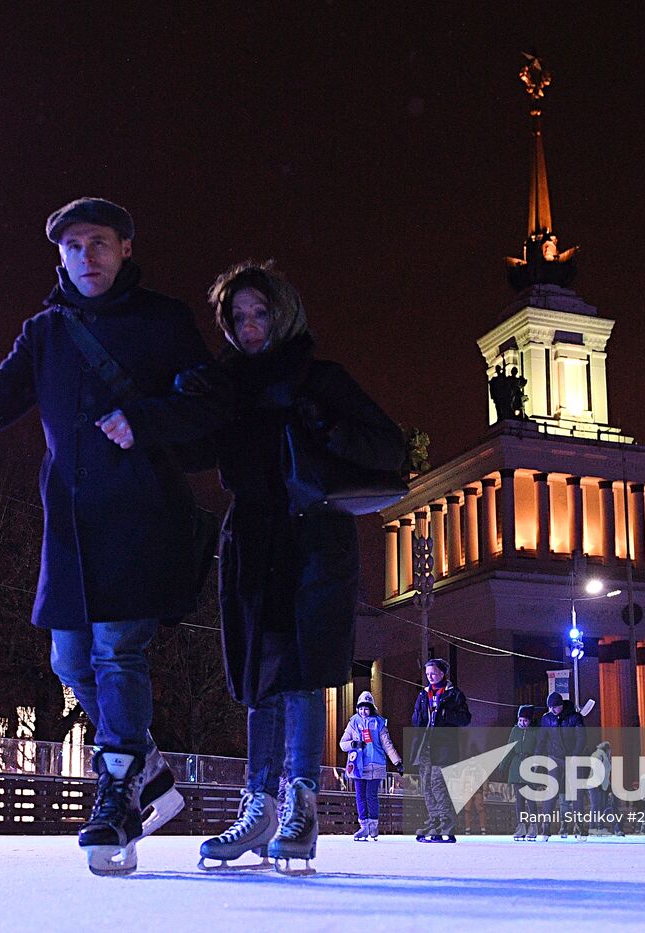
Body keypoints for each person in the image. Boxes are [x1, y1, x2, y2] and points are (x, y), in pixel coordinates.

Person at [0, 198, 221, 875]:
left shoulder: (164, 320)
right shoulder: (45, 332)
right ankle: (149, 773)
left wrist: (145, 418)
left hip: (139, 515)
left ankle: (120, 793)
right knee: (70, 662)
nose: (86, 257)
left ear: (126, 247)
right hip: (70, 527)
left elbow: (207, 400)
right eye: (73, 246)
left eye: (98, 242)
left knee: (116, 650)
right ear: (59, 257)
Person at [191, 261, 404, 873]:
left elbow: (387, 448)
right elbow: (187, 446)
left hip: (313, 533)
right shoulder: (227, 387)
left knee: (304, 672)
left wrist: (325, 423)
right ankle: (258, 808)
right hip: (254, 536)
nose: (250, 326)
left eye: (260, 312)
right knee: (261, 673)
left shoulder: (320, 378)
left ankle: (300, 806)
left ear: (283, 313)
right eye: (238, 317)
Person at [412, 658, 473, 842]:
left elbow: (465, 719)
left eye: (433, 673)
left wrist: (446, 714)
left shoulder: (453, 694)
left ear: (442, 673)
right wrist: (418, 716)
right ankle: (434, 821)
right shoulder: (423, 694)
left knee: (438, 785)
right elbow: (416, 721)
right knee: (426, 786)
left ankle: (447, 824)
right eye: (428, 673)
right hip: (425, 746)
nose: (430, 676)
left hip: (444, 747)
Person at [339, 691, 402, 841]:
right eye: (360, 708)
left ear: (371, 708)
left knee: (371, 795)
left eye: (366, 708)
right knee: (360, 795)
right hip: (359, 764)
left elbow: (387, 744)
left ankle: (373, 825)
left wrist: (397, 762)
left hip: (376, 763)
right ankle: (364, 826)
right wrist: (353, 744)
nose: (363, 711)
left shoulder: (379, 723)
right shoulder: (353, 722)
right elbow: (342, 743)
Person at [539, 692, 583, 838]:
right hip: (555, 758)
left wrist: (576, 755)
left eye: (555, 707)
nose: (553, 710)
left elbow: (581, 738)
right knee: (551, 792)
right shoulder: (546, 719)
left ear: (561, 705)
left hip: (572, 758)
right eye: (550, 707)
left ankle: (579, 827)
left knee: (576, 794)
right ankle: (546, 829)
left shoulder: (574, 717)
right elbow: (542, 740)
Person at [507, 705, 540, 840]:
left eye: (525, 720)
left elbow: (539, 748)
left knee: (531, 799)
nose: (522, 723)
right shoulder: (515, 730)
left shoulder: (535, 732)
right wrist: (503, 765)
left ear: (530, 720)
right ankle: (521, 826)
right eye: (520, 720)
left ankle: (533, 826)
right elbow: (509, 748)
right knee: (519, 800)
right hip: (516, 767)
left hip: (530, 766)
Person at [589, 740, 622, 836]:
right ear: (607, 749)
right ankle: (592, 827)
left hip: (602, 785)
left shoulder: (605, 756)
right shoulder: (598, 754)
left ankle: (600, 827)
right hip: (595, 784)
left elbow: (606, 774)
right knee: (595, 806)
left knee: (601, 807)